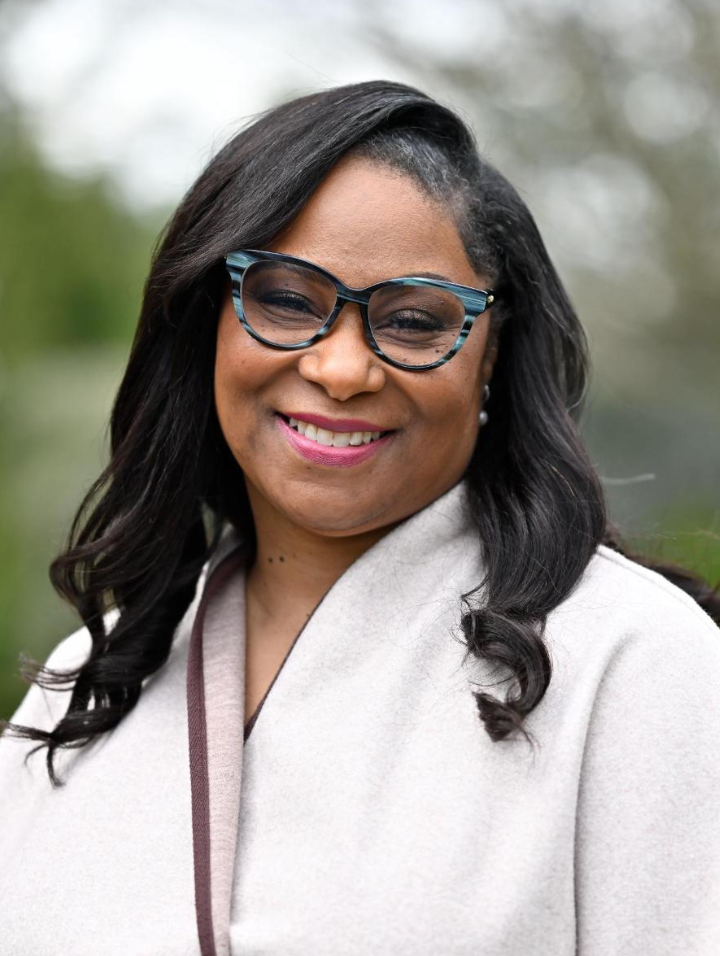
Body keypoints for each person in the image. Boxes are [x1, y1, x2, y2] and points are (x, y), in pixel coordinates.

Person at [0, 79, 718, 956]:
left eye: (413, 321)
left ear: (490, 354)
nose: (342, 370)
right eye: (286, 300)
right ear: (205, 323)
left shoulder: (632, 664)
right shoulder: (91, 678)